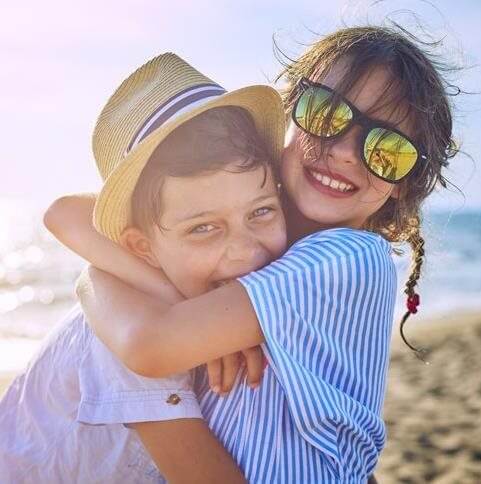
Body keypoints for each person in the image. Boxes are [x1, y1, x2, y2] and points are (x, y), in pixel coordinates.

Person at [58, 26, 457, 482]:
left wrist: (155, 295)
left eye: (388, 150)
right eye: (326, 113)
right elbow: (65, 214)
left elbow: (149, 345)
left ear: (404, 184)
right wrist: (182, 297)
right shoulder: (260, 248)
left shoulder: (350, 257)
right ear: (290, 108)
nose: (347, 153)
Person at [0, 53, 288, 483]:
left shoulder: (270, 276)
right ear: (142, 248)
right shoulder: (126, 336)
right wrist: (184, 320)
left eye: (261, 211)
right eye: (204, 228)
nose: (245, 253)